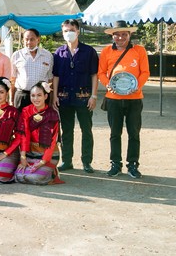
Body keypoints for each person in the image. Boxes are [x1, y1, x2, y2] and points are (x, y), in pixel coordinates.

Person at [98, 20, 150, 179]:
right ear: (112, 36)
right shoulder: (106, 51)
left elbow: (145, 72)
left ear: (130, 34)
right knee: (115, 133)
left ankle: (133, 164)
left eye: (124, 34)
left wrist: (137, 85)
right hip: (113, 98)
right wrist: (108, 85)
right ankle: (115, 163)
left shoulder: (139, 50)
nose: (120, 37)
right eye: (117, 34)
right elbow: (101, 73)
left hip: (134, 98)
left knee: (134, 132)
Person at [52, 19, 99, 173]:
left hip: (84, 97)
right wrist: (54, 97)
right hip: (64, 97)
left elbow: (94, 75)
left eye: (71, 30)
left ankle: (87, 162)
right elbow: (56, 76)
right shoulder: (59, 52)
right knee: (66, 130)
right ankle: (67, 161)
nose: (68, 33)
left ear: (78, 31)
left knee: (86, 129)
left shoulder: (88, 51)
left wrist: (93, 96)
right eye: (65, 31)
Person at [15, 81, 61, 185]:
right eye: (33, 95)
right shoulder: (26, 111)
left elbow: (53, 141)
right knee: (19, 176)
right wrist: (23, 157)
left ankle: (52, 172)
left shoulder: (52, 114)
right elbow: (24, 135)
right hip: (30, 152)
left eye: (39, 95)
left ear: (45, 96)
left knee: (36, 177)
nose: (36, 99)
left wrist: (42, 162)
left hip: (48, 154)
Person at [11, 28, 53, 110]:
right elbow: (13, 79)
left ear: (38, 39)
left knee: (41, 121)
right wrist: (11, 99)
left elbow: (50, 79)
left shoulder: (48, 55)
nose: (29, 42)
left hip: (41, 97)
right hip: (22, 96)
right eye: (26, 39)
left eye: (32, 39)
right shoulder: (17, 55)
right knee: (21, 122)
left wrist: (51, 99)